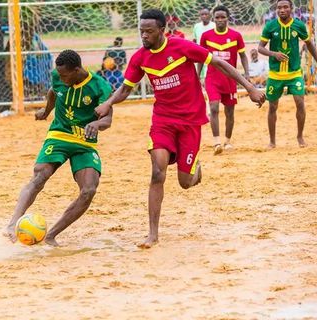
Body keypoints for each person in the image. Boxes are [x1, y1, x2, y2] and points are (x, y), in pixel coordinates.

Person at [95, 9, 265, 249]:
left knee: (185, 182)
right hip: (163, 121)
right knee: (157, 172)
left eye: (149, 31)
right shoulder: (139, 58)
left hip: (190, 122)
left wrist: (249, 87)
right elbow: (125, 88)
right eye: (141, 31)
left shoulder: (182, 47)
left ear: (162, 31)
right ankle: (152, 234)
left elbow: (219, 63)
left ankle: (194, 169)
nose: (144, 36)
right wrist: (108, 103)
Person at [4, 49, 113, 247]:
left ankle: (51, 234)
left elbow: (108, 119)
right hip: (59, 134)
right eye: (59, 75)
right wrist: (46, 112)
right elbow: (53, 92)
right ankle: (12, 224)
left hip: (84, 142)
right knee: (39, 175)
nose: (61, 79)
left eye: (65, 75)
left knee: (89, 190)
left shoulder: (100, 86)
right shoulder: (58, 76)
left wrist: (97, 124)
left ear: (77, 70)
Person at [258, 0, 317, 148]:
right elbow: (260, 48)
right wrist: (273, 53)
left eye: (285, 7)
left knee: (300, 102)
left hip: (294, 73)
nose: (282, 10)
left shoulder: (299, 26)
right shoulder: (270, 26)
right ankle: (272, 141)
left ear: (291, 8)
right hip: (275, 75)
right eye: (279, 7)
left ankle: (300, 137)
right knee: (272, 106)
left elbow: (309, 44)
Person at [199, 5, 249, 154]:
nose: (220, 20)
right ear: (213, 19)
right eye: (217, 17)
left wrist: (246, 73)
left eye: (223, 17)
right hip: (212, 78)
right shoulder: (206, 36)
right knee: (213, 108)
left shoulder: (236, 36)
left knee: (230, 112)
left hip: (230, 79)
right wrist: (197, 75)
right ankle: (216, 143)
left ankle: (227, 141)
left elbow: (243, 56)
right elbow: (201, 58)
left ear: (228, 18)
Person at [192, 8, 215, 80]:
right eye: (202, 14)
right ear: (200, 16)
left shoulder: (214, 26)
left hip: (210, 53)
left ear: (210, 15)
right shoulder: (197, 26)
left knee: (208, 73)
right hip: (199, 52)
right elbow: (194, 40)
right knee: (199, 73)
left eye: (206, 14)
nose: (204, 16)